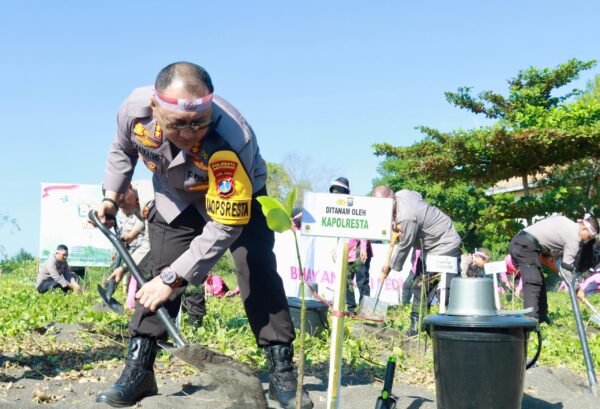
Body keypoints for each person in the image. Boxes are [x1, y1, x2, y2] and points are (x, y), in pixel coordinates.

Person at [94, 62, 312, 409]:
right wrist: (110, 195)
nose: (190, 132)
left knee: (253, 265)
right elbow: (122, 150)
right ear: (156, 108)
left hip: (239, 198)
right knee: (160, 266)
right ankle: (140, 369)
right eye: (178, 124)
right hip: (175, 193)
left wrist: (175, 278)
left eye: (199, 122)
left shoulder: (232, 139)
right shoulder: (134, 112)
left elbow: (226, 225)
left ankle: (282, 367)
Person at [373, 185, 462, 336]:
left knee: (446, 290)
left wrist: (390, 267)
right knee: (419, 286)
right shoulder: (403, 194)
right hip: (429, 246)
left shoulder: (407, 216)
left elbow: (405, 245)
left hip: (445, 243)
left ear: (393, 199)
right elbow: (417, 194)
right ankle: (417, 328)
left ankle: (452, 330)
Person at [509, 213, 598, 324]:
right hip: (525, 245)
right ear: (584, 228)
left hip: (521, 243)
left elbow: (554, 257)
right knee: (533, 283)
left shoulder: (565, 221)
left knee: (538, 281)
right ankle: (530, 323)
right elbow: (567, 268)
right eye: (588, 237)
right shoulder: (574, 237)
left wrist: (558, 269)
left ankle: (542, 318)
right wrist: (577, 288)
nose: (586, 241)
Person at [329, 177, 373, 313]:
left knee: (362, 281)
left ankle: (365, 310)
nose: (335, 194)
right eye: (333, 192)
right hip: (346, 251)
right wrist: (335, 248)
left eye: (338, 192)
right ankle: (351, 309)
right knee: (346, 281)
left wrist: (364, 248)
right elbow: (337, 231)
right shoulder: (334, 208)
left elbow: (364, 226)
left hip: (360, 249)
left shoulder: (355, 204)